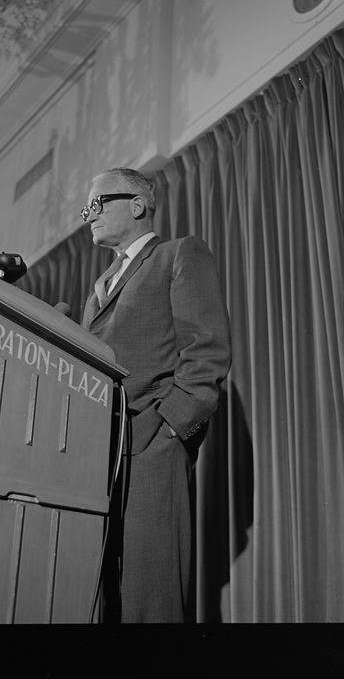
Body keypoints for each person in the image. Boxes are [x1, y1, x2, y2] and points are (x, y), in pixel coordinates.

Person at [80, 167, 231, 623]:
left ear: (139, 204)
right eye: (86, 209)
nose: (89, 215)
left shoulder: (178, 254)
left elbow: (205, 351)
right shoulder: (97, 292)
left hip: (151, 449)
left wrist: (169, 433)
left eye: (98, 203)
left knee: (152, 603)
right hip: (94, 463)